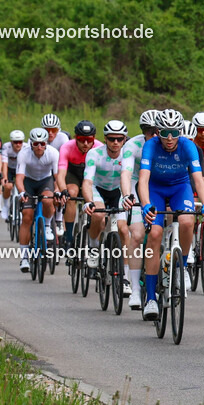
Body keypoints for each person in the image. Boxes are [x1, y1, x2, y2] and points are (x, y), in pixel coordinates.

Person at [136, 110, 204, 321]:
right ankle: (151, 298)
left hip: (180, 187)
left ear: (180, 131)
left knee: (188, 221)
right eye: (165, 133)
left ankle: (183, 266)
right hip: (156, 188)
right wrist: (146, 205)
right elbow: (143, 180)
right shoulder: (151, 145)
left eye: (174, 132)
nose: (170, 138)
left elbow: (198, 179)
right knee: (154, 235)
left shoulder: (188, 146)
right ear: (158, 132)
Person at [81, 121, 136, 278]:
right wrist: (88, 201)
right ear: (105, 139)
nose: (116, 143)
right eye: (112, 139)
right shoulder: (94, 154)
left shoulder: (128, 154)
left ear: (125, 139)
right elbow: (87, 182)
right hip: (98, 189)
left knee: (124, 230)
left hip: (118, 191)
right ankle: (93, 248)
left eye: (120, 139)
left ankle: (125, 276)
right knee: (98, 215)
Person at [122, 110, 160, 310]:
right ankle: (135, 288)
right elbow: (127, 173)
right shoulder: (133, 145)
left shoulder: (167, 144)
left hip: (159, 186)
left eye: (157, 131)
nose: (153, 135)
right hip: (137, 186)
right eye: (148, 131)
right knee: (136, 234)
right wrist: (127, 194)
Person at [15, 128, 63, 273]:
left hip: (45, 181)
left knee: (48, 200)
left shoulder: (53, 153)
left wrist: (57, 191)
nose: (39, 147)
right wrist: (22, 192)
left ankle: (47, 226)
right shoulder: (24, 154)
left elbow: (57, 176)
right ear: (31, 144)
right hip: (29, 182)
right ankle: (24, 258)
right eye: (36, 144)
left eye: (42, 144)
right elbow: (19, 178)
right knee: (27, 217)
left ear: (46, 143)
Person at [57, 120, 102, 243]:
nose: (86, 143)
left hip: (92, 175)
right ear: (76, 137)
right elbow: (61, 175)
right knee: (72, 193)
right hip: (73, 174)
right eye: (82, 139)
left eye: (89, 140)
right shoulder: (66, 147)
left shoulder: (99, 147)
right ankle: (69, 235)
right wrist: (63, 191)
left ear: (94, 138)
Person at [0, 130, 25, 222]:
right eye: (15, 142)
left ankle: (21, 209)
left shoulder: (26, 147)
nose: (18, 144)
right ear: (11, 142)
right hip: (9, 168)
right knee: (8, 186)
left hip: (21, 169)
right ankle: (5, 206)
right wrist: (4, 177)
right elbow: (4, 164)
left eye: (20, 142)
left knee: (23, 188)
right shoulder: (6, 147)